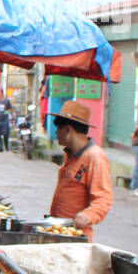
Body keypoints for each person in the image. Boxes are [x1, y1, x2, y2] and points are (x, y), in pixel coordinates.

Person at [48, 100, 112, 241]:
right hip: (59, 230)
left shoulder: (95, 156)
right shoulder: (70, 155)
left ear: (68, 130)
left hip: (75, 236)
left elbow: (103, 198)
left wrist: (89, 215)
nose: (56, 133)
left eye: (58, 128)